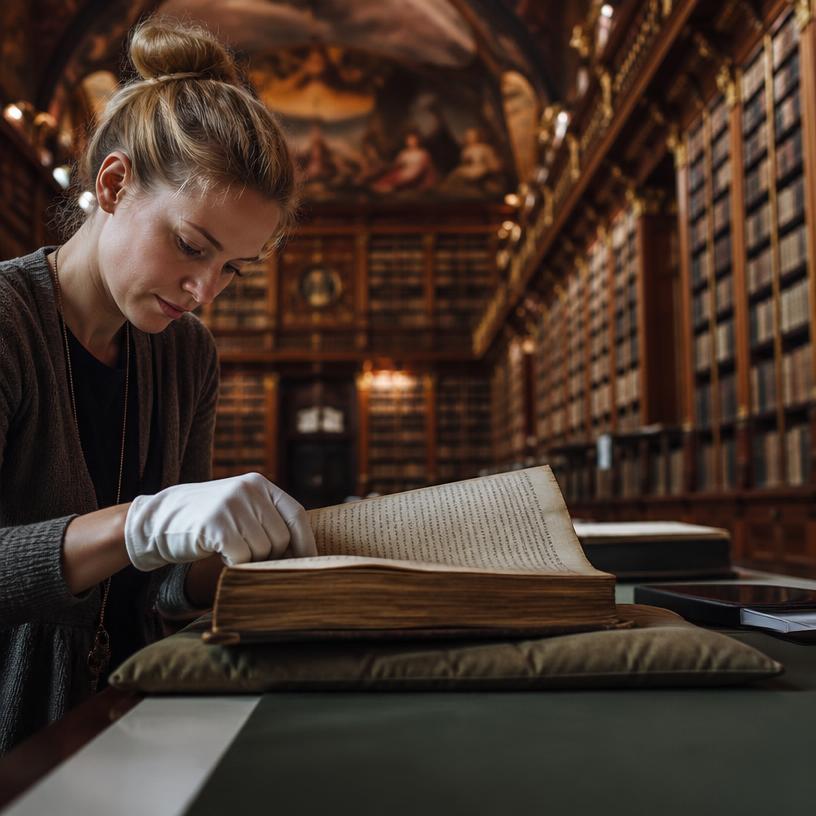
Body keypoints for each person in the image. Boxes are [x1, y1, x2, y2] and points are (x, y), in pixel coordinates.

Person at [0, 17, 317, 755]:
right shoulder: (9, 324)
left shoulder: (187, 356)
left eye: (233, 268)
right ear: (112, 184)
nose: (204, 289)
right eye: (190, 246)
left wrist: (251, 558)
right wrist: (142, 521)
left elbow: (164, 587)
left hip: (139, 723)